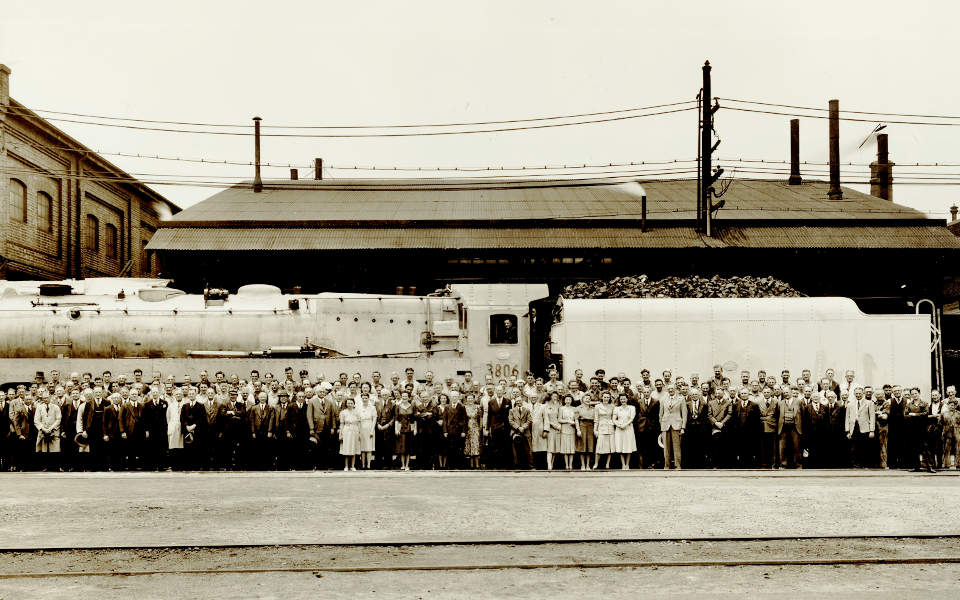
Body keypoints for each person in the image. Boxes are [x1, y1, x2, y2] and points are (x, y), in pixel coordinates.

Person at [845, 386, 876, 469]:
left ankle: (865, 464)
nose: (858, 395)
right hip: (854, 428)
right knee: (855, 447)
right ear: (854, 394)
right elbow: (847, 417)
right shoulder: (850, 404)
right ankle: (856, 464)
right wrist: (847, 430)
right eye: (856, 393)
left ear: (863, 394)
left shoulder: (869, 403)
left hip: (865, 428)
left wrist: (872, 430)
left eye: (859, 393)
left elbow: (872, 417)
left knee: (865, 447)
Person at [659, 384, 686, 469]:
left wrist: (683, 427)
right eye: (669, 389)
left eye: (672, 388)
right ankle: (666, 466)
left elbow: (684, 414)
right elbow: (661, 414)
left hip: (676, 425)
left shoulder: (681, 399)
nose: (671, 390)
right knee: (666, 447)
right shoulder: (663, 399)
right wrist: (661, 425)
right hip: (665, 425)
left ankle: (677, 466)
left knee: (676, 447)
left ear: (675, 389)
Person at [33, 392, 61, 471]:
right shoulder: (39, 408)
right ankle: (45, 467)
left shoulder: (56, 407)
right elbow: (36, 420)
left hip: (54, 430)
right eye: (44, 398)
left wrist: (51, 428)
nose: (46, 399)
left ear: (50, 397)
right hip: (43, 431)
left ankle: (56, 467)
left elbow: (58, 419)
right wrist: (44, 429)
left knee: (55, 449)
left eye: (47, 397)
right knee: (44, 449)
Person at [778, 386, 803, 469]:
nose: (786, 394)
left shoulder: (799, 402)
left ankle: (798, 465)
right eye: (784, 393)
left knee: (797, 447)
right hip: (784, 427)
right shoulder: (780, 403)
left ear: (791, 392)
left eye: (787, 392)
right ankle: (783, 465)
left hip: (795, 427)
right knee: (783, 447)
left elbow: (802, 414)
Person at [708, 389, 732, 468]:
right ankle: (716, 465)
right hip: (715, 427)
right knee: (715, 447)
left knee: (724, 446)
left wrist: (722, 423)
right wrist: (715, 422)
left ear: (723, 393)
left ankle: (724, 465)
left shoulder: (728, 402)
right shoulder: (711, 403)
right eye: (716, 393)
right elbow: (709, 414)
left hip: (724, 427)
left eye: (720, 393)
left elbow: (729, 414)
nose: (718, 394)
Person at [510, 393, 535, 470]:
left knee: (528, 449)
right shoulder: (512, 411)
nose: (519, 402)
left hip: (525, 431)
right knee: (516, 451)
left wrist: (523, 427)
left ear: (522, 401)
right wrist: (518, 428)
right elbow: (510, 421)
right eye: (517, 401)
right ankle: (517, 466)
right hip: (515, 432)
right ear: (515, 402)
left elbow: (529, 420)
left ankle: (530, 466)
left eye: (520, 401)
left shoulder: (527, 410)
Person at [443, 391, 467, 469]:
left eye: (455, 396)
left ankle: (458, 465)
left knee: (458, 448)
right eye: (452, 396)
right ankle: (450, 465)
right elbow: (444, 420)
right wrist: (445, 431)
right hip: (450, 430)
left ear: (458, 397)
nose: (454, 398)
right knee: (450, 448)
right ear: (450, 397)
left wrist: (463, 431)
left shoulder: (462, 407)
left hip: (458, 430)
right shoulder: (447, 407)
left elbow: (464, 420)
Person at [613, 393, 636, 470]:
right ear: (620, 400)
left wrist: (625, 424)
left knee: (628, 445)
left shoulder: (631, 408)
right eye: (621, 399)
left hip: (628, 428)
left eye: (624, 399)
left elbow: (632, 418)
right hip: (619, 429)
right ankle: (623, 464)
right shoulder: (616, 408)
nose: (623, 400)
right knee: (620, 446)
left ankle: (627, 464)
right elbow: (614, 419)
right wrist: (619, 425)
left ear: (627, 399)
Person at [594, 391, 615, 469]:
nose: (606, 399)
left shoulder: (612, 406)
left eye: (607, 397)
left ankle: (607, 464)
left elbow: (613, 418)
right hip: (601, 427)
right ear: (601, 397)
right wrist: (595, 430)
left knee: (609, 446)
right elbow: (596, 419)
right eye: (605, 397)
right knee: (599, 446)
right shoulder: (597, 406)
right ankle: (596, 463)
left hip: (610, 427)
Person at [557, 394, 578, 470]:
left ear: (571, 400)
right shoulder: (561, 409)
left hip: (572, 430)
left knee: (571, 448)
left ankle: (571, 465)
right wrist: (568, 421)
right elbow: (559, 419)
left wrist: (575, 423)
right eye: (567, 400)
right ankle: (566, 465)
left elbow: (576, 419)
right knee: (565, 448)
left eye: (569, 400)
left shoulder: (574, 409)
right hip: (564, 430)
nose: (568, 401)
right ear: (564, 401)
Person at [339, 397, 361, 471]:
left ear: (354, 404)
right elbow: (342, 424)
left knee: (353, 448)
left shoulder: (357, 412)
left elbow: (359, 423)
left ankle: (352, 466)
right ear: (346, 404)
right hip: (346, 430)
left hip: (355, 430)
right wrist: (341, 434)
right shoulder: (343, 412)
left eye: (351, 403)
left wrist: (359, 433)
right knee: (347, 448)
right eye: (348, 403)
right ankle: (346, 466)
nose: (350, 405)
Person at [357, 392, 377, 470]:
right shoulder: (358, 408)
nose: (365, 400)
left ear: (368, 399)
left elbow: (374, 419)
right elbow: (358, 419)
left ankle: (368, 465)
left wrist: (372, 430)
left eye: (366, 398)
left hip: (369, 427)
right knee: (362, 447)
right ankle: (363, 465)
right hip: (361, 427)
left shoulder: (372, 408)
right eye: (363, 398)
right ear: (361, 399)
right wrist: (358, 431)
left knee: (369, 447)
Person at [394, 391, 414, 470]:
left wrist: (414, 429)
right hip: (401, 429)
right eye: (403, 396)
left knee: (408, 448)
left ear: (408, 397)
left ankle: (407, 465)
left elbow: (413, 419)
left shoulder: (412, 406)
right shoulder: (398, 406)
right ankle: (402, 465)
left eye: (406, 396)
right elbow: (396, 419)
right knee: (402, 448)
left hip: (409, 429)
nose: (404, 398)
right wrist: (396, 429)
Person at [576, 394, 595, 470]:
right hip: (582, 425)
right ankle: (582, 465)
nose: (587, 400)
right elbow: (576, 419)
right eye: (585, 398)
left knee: (589, 446)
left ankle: (588, 465)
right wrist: (578, 430)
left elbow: (594, 418)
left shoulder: (593, 409)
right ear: (582, 399)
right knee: (582, 446)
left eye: (588, 399)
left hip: (590, 426)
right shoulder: (578, 408)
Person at [543, 392, 562, 470]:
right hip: (550, 428)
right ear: (550, 396)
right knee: (550, 447)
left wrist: (559, 425)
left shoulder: (558, 405)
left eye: (556, 396)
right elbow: (545, 417)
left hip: (557, 428)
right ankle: (549, 465)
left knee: (555, 447)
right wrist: (551, 424)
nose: (555, 397)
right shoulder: (546, 405)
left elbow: (560, 416)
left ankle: (552, 463)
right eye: (554, 396)